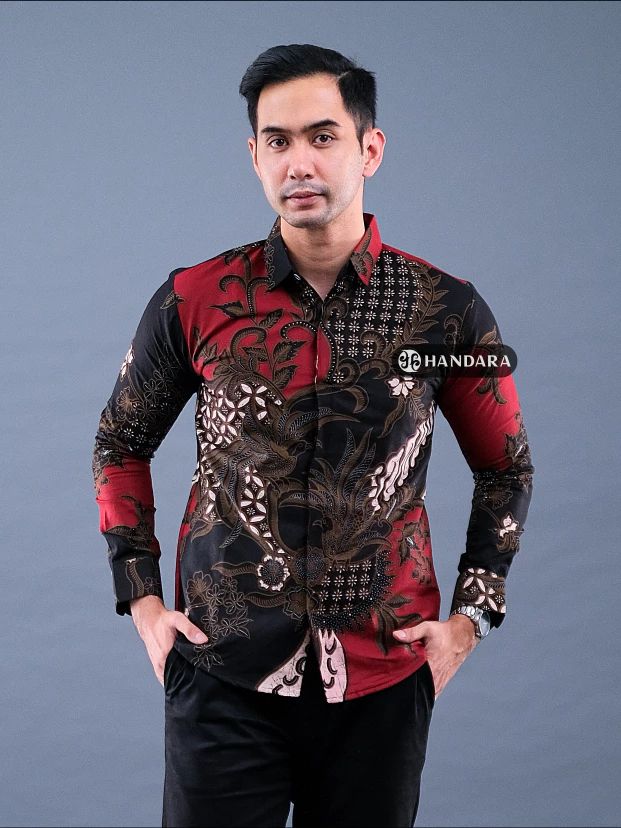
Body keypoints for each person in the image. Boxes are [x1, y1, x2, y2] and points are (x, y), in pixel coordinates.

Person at [92, 43, 534, 828]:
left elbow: (505, 469)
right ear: (254, 156)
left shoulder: (447, 311)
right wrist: (143, 600)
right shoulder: (194, 299)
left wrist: (471, 618)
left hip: (382, 680)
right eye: (278, 140)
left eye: (322, 136)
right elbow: (120, 445)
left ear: (370, 149)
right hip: (221, 674)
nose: (298, 162)